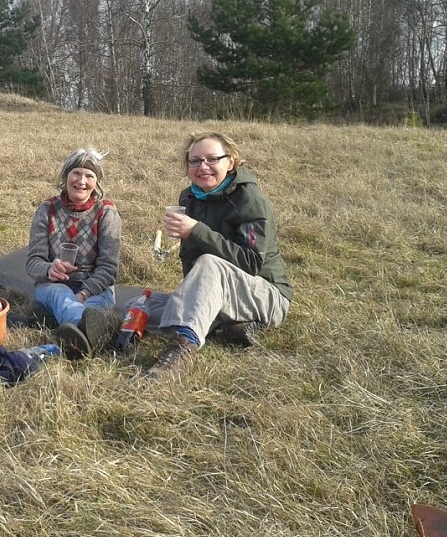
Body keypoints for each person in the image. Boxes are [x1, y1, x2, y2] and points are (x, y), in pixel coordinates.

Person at [145, 130, 293, 379]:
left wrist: (197, 231)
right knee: (143, 303)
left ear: (231, 162)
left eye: (212, 159)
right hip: (221, 291)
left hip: (267, 294)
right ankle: (229, 327)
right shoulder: (189, 197)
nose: (203, 167)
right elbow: (192, 265)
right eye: (195, 161)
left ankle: (181, 349)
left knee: (209, 264)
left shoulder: (249, 199)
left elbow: (251, 263)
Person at [25, 147, 122, 359]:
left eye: (90, 175)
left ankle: (76, 335)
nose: (82, 181)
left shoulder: (106, 212)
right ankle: (87, 333)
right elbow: (33, 262)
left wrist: (84, 294)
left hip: (94, 289)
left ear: (97, 182)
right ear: (65, 176)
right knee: (61, 296)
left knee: (91, 310)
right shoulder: (47, 209)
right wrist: (49, 269)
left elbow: (108, 268)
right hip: (53, 286)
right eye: (76, 173)